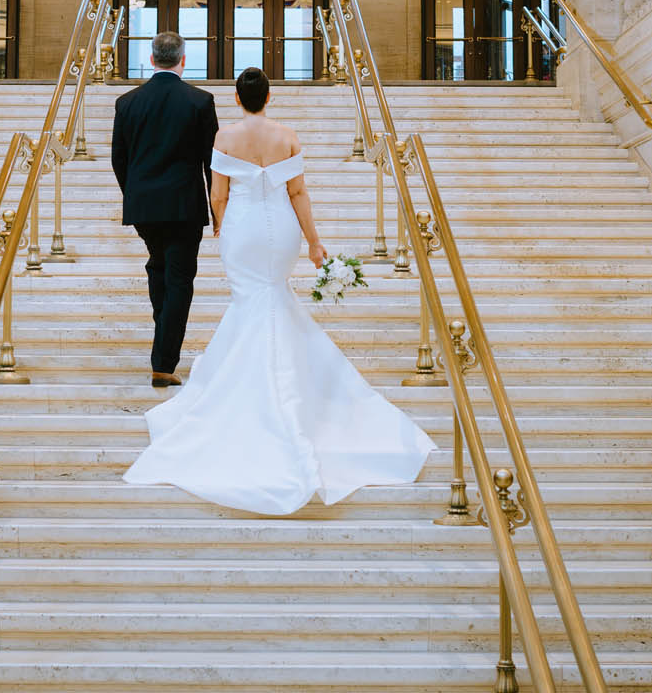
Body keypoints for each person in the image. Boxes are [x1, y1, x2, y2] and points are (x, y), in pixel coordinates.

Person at [123, 66, 436, 515]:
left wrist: (221, 229)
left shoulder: (225, 138)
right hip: (283, 231)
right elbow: (298, 192)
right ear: (268, 97)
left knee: (251, 301)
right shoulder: (287, 135)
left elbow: (219, 196)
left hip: (243, 230)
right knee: (276, 297)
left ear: (236, 98)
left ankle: (248, 388)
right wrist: (313, 241)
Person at [111, 30, 219, 388]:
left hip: (144, 205)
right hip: (185, 205)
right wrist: (218, 208)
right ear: (183, 60)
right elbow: (210, 161)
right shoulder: (200, 101)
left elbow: (119, 159)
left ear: (152, 59)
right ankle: (163, 361)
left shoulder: (127, 102)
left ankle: (163, 341)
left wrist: (134, 194)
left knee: (158, 268)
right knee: (179, 280)